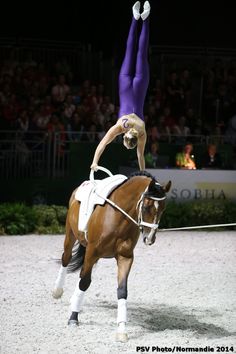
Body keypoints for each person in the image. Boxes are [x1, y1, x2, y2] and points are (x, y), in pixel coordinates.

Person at [90, 1, 151, 171]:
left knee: (141, 53)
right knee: (130, 51)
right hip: (124, 85)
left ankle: (145, 18)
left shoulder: (142, 133)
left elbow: (140, 156)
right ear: (124, 136)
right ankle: (134, 16)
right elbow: (103, 144)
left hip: (139, 87)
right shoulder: (119, 127)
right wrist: (95, 162)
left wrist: (143, 173)